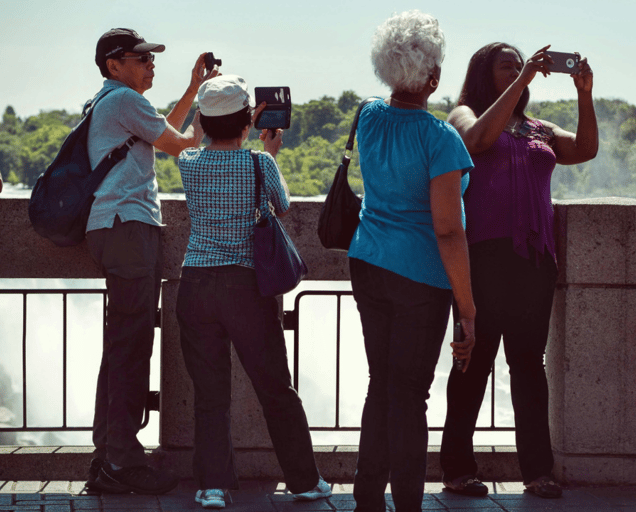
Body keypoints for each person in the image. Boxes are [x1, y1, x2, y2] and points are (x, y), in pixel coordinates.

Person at [439, 43, 597, 499]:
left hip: (534, 259)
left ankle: (538, 471)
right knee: (474, 361)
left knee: (529, 365)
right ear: (482, 73)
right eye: (505, 64)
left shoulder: (537, 127)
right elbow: (477, 143)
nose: (515, 68)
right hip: (481, 258)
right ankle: (456, 469)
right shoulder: (463, 115)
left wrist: (584, 94)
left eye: (519, 62)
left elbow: (584, 149)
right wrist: (522, 80)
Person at [175, 74, 331, 509]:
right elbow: (280, 206)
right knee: (275, 388)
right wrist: (267, 148)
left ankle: (212, 487)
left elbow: (193, 137)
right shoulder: (260, 163)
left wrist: (219, 117)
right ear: (247, 120)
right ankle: (303, 480)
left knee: (210, 393)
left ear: (205, 122)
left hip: (196, 284)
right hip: (246, 285)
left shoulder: (188, 162)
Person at [347, 10, 476, 512]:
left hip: (369, 262)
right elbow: (447, 229)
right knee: (409, 396)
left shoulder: (368, 115)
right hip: (419, 277)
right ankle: (406, 504)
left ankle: (366, 498)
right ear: (434, 76)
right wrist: (467, 309)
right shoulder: (441, 138)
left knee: (382, 384)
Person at [84, 28, 217, 495]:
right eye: (139, 58)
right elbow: (182, 144)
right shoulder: (123, 100)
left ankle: (108, 456)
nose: (149, 63)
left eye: (150, 58)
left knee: (121, 343)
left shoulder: (113, 101)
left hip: (111, 229)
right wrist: (213, 113)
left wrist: (192, 91)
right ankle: (122, 463)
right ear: (113, 64)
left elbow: (166, 133)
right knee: (131, 346)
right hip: (128, 228)